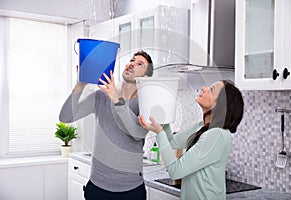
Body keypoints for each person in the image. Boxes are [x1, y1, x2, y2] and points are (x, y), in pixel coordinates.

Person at [59, 50, 153, 200]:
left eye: (139, 64)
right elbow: (65, 117)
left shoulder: (144, 103)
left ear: (146, 77)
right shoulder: (101, 96)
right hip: (97, 187)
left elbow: (137, 133)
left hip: (130, 190)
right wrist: (80, 85)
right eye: (132, 60)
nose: (132, 64)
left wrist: (116, 99)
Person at [138, 80, 244, 200]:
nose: (204, 88)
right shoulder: (202, 126)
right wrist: (164, 117)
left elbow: (176, 171)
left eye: (211, 90)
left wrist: (159, 132)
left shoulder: (216, 135)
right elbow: (172, 141)